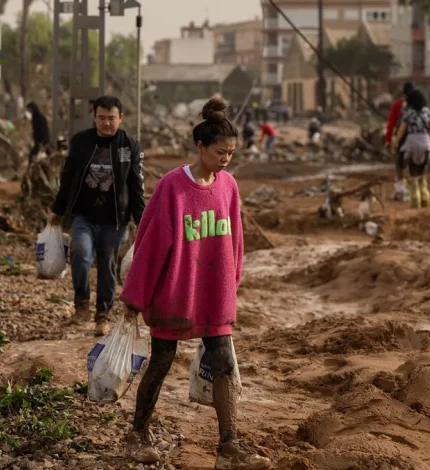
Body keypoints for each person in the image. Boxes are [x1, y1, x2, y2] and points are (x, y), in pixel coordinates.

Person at [120, 97, 271, 470]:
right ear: (200, 147)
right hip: (175, 294)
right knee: (161, 361)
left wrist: (232, 281)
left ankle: (229, 448)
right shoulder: (173, 187)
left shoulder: (229, 187)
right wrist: (135, 297)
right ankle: (137, 434)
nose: (226, 159)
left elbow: (235, 238)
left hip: (213, 295)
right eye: (220, 152)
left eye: (232, 154)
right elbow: (150, 244)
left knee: (224, 364)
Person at [49, 95, 145, 336]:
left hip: (115, 220)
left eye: (111, 118)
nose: (106, 123)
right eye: (101, 118)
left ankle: (102, 315)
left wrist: (141, 219)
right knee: (80, 253)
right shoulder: (81, 142)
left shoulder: (129, 146)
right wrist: (58, 210)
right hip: (84, 216)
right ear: (94, 118)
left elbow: (136, 185)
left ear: (120, 118)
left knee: (107, 267)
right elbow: (68, 177)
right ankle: (81, 303)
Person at [390, 89, 430, 209]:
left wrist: (395, 142)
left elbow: (402, 130)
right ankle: (425, 198)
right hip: (425, 141)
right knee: (422, 171)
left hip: (411, 142)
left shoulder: (408, 113)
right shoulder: (427, 112)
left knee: (413, 171)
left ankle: (415, 200)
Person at [386, 82, 415, 180]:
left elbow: (391, 124)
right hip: (416, 137)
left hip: (402, 138)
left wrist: (388, 140)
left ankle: (401, 185)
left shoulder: (397, 105)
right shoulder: (418, 105)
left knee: (399, 165)